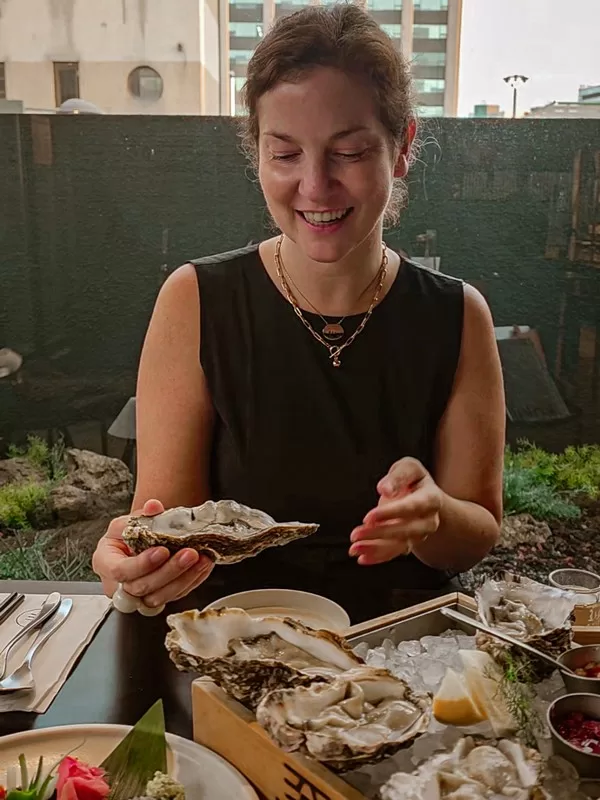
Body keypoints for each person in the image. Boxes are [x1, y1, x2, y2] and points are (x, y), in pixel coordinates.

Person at [92, 3, 505, 623]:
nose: (314, 186)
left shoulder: (457, 314)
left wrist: (434, 513)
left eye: (349, 152)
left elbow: (477, 532)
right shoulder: (197, 299)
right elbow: (166, 516)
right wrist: (136, 564)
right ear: (255, 152)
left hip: (397, 645)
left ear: (402, 149)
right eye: (285, 154)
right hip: (234, 635)